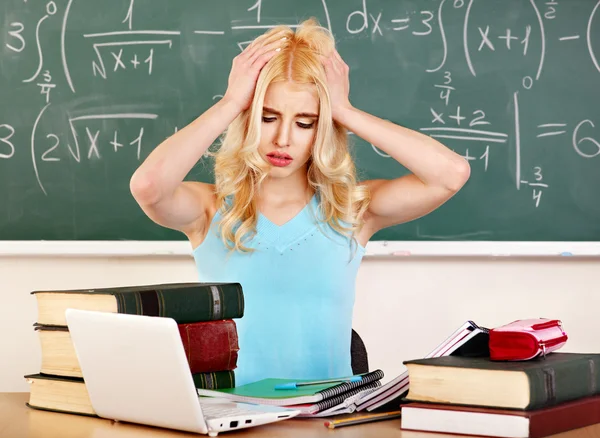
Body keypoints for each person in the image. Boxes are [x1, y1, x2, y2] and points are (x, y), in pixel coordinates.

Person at [130, 18, 470, 386]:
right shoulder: (208, 209)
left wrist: (344, 110)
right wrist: (231, 102)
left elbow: (450, 174)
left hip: (329, 423)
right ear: (247, 118)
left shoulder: (353, 211)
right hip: (230, 422)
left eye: (305, 122)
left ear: (322, 129)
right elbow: (148, 185)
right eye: (268, 117)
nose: (282, 138)